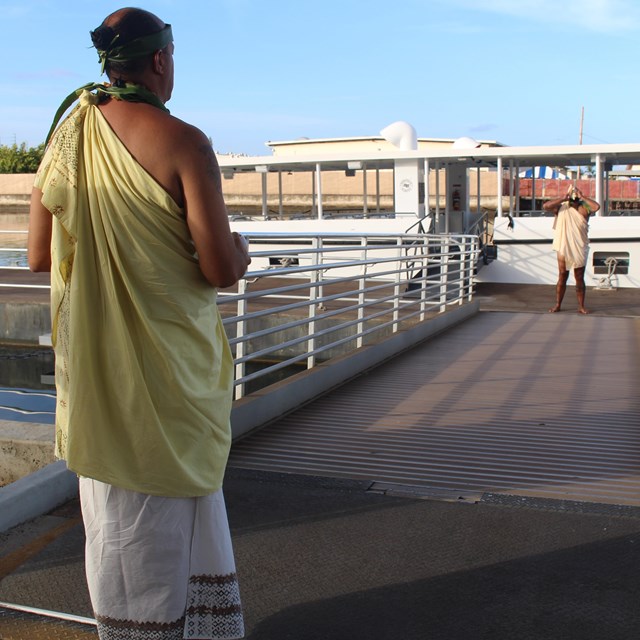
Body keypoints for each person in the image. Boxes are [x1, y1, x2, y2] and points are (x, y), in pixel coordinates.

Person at [28, 8, 250, 640]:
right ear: (159, 60)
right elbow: (217, 267)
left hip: (99, 379)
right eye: (173, 56)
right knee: (179, 516)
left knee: (116, 526)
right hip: (170, 379)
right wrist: (241, 249)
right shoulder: (183, 140)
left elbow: (41, 256)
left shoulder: (67, 137)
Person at [543, 185, 600, 314]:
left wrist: (583, 196)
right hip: (564, 245)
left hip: (579, 246)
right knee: (562, 274)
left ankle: (581, 306)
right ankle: (558, 304)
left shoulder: (584, 209)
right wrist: (562, 197)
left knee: (579, 277)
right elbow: (546, 206)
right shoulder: (562, 208)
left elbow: (596, 207)